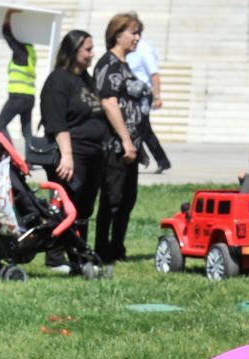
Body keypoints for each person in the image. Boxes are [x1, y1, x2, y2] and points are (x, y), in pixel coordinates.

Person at [40, 31, 108, 260]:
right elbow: (56, 121)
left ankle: (79, 253)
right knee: (65, 206)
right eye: (87, 49)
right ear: (73, 51)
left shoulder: (86, 79)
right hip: (72, 153)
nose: (92, 53)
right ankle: (55, 256)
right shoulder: (58, 80)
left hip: (93, 154)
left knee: (84, 210)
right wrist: (66, 156)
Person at [93, 13, 148, 263]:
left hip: (132, 145)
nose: (137, 38)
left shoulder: (124, 65)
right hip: (116, 145)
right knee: (112, 199)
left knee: (127, 199)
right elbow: (109, 102)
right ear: (117, 34)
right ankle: (103, 249)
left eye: (139, 33)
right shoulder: (108, 64)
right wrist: (125, 140)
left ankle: (118, 247)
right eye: (133, 33)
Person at [128, 30, 171, 172]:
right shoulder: (128, 49)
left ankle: (156, 159)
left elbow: (154, 74)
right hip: (131, 95)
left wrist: (157, 96)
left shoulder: (144, 49)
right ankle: (161, 161)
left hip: (142, 96)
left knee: (142, 128)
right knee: (143, 129)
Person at [0, 10, 37, 147]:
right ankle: (32, 158)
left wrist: (8, 14)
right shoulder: (31, 52)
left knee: (1, 125)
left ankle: (10, 154)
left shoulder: (21, 51)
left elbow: (7, 35)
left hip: (18, 96)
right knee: (27, 131)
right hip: (29, 97)